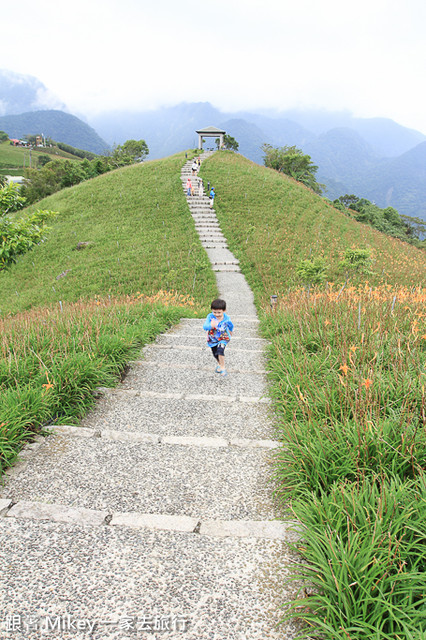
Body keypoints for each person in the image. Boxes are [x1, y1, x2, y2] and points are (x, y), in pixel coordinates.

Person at [203, 298, 234, 377]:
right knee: (215, 354)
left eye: (219, 312)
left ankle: (223, 367)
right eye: (214, 312)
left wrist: (231, 331)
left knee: (220, 350)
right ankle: (220, 364)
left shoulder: (226, 318)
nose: (216, 314)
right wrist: (211, 325)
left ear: (224, 311)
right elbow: (205, 327)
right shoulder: (210, 317)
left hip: (223, 338)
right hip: (212, 339)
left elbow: (231, 325)